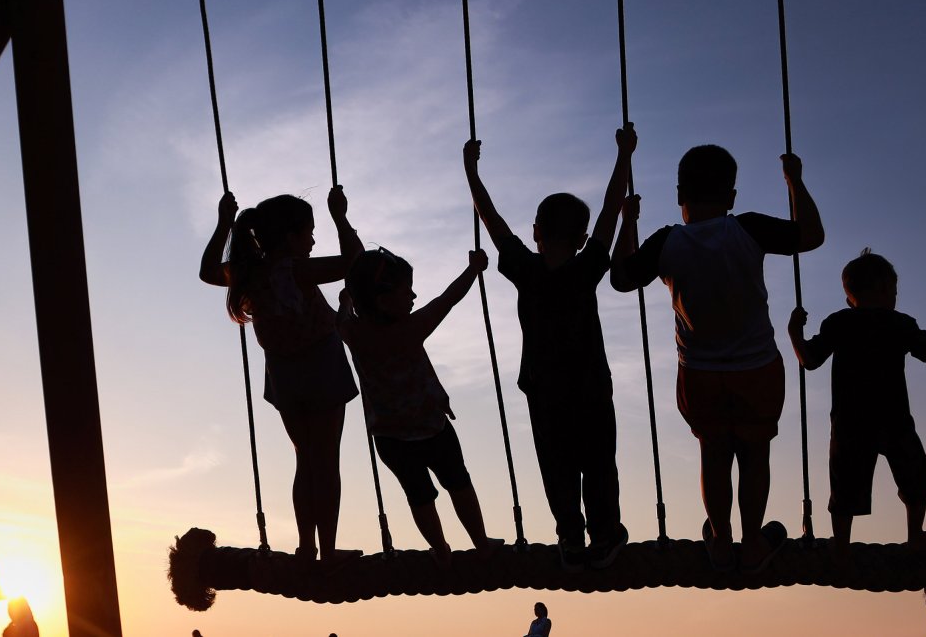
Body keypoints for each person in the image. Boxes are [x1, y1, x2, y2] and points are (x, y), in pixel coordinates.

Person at [611, 146, 824, 572]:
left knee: (714, 454)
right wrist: (794, 180)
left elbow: (620, 277)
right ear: (731, 197)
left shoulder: (667, 241)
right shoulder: (747, 228)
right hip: (757, 368)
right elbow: (811, 236)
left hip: (700, 374)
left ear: (678, 195)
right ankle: (752, 542)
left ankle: (721, 542)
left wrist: (628, 223)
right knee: (755, 454)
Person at [462, 125, 636, 570]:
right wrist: (624, 155)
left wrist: (472, 174)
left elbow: (493, 221)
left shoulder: (526, 268)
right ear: (580, 240)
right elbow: (610, 213)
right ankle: (604, 534)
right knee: (599, 465)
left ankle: (570, 538)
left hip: (544, 390)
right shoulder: (587, 268)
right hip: (592, 389)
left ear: (536, 231)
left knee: (556, 466)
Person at [199, 186, 363, 565]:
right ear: (290, 238)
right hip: (322, 368)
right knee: (326, 463)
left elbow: (208, 271)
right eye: (308, 232)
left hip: (285, 376)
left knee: (306, 460)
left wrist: (224, 224)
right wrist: (341, 217)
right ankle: (329, 551)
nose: (312, 240)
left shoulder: (249, 273)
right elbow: (358, 264)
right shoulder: (298, 269)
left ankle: (307, 547)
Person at [787, 249, 926, 558]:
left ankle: (840, 544)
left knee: (844, 483)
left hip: (850, 420)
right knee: (914, 476)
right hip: (893, 417)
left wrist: (794, 332)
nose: (895, 297)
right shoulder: (899, 323)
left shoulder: (839, 322)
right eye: (894, 290)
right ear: (882, 288)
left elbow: (809, 360)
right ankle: (915, 535)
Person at [339, 248, 503, 568]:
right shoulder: (412, 328)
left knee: (420, 497)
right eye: (406, 291)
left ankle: (440, 550)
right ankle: (482, 544)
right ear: (384, 301)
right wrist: (473, 270)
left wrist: (346, 301)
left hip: (389, 438)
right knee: (458, 482)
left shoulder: (354, 333)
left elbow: (340, 319)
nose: (414, 295)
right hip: (432, 429)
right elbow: (448, 299)